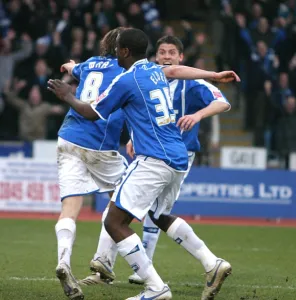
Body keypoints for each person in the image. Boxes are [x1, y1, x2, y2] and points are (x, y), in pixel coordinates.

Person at [48, 28, 240, 300]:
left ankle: (155, 288)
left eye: (118, 51)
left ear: (124, 51)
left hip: (154, 159)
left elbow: (91, 112)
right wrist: (213, 75)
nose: (115, 54)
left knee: (115, 221)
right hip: (178, 156)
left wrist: (67, 94)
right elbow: (175, 71)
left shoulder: (128, 80)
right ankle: (213, 263)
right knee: (158, 214)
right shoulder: (154, 70)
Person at [124, 35, 231, 293]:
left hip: (176, 154)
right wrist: (133, 137)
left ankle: (115, 265)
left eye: (172, 52)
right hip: (152, 151)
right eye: (162, 52)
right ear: (155, 56)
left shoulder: (192, 84)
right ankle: (206, 263)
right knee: (155, 211)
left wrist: (197, 115)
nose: (167, 56)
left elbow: (223, 102)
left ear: (181, 58)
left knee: (129, 208)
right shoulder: (150, 80)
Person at [51, 27, 129, 300]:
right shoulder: (127, 72)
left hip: (67, 137)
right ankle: (104, 261)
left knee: (70, 208)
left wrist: (69, 66)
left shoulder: (89, 65)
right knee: (123, 198)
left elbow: (76, 68)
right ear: (124, 50)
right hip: (99, 144)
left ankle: (63, 261)